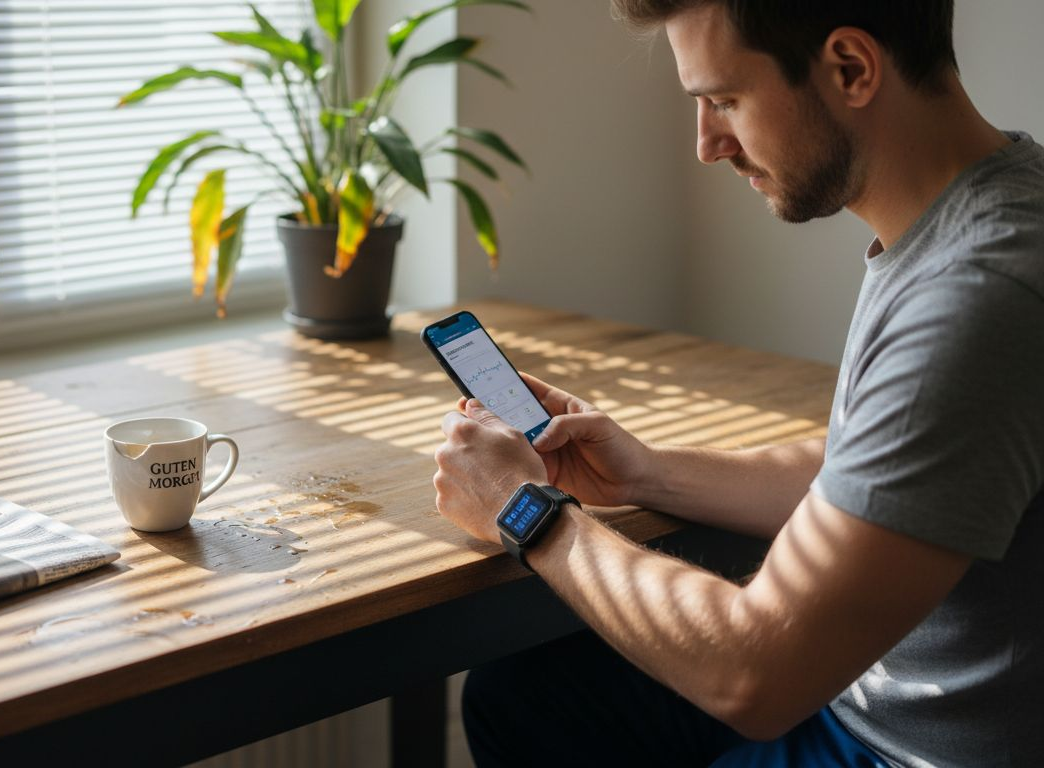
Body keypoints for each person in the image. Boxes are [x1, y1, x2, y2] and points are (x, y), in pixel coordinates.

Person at [431, 1, 1044, 765]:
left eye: (724, 100)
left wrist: (525, 511)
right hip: (853, 703)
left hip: (890, 749)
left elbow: (755, 675)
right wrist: (645, 472)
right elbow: (866, 473)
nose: (707, 144)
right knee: (523, 695)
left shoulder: (978, 296)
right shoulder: (985, 209)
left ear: (851, 68)